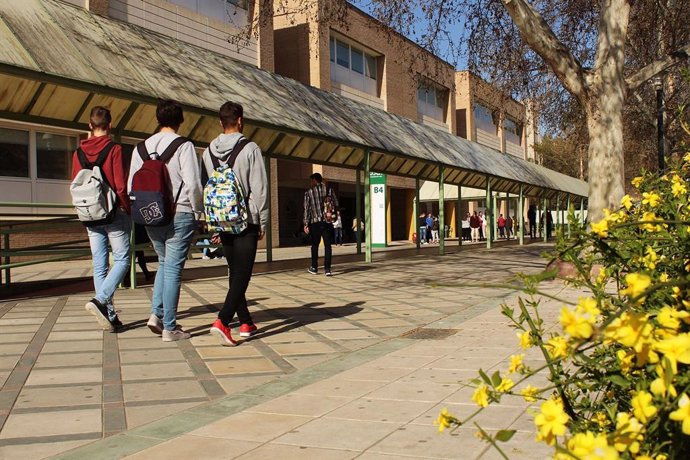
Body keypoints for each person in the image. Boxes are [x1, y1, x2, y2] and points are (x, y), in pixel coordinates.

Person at [128, 100, 203, 342]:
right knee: (172, 269)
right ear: (180, 120)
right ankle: (170, 327)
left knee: (163, 262)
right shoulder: (184, 145)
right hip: (180, 213)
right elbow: (192, 183)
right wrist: (199, 212)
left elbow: (131, 186)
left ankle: (156, 315)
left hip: (151, 215)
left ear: (158, 119)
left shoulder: (140, 148)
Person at [202, 101, 268, 346]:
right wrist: (262, 220)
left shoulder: (208, 151)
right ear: (240, 120)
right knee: (243, 273)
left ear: (221, 122)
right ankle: (222, 320)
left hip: (222, 218)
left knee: (235, 273)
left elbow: (208, 187)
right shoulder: (250, 149)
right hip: (246, 218)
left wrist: (215, 223)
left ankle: (246, 322)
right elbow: (259, 189)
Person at [73, 106, 130, 332]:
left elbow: (75, 183)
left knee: (99, 265)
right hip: (114, 212)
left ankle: (109, 315)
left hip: (89, 214)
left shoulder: (78, 152)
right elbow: (120, 184)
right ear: (110, 125)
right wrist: (127, 207)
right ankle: (100, 300)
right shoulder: (114, 149)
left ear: (89, 125)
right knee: (123, 260)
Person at [304, 173, 339, 276]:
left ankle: (314, 267)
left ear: (314, 180)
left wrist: (306, 223)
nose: (311, 183)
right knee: (328, 246)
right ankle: (327, 269)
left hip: (315, 223)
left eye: (311, 181)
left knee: (315, 245)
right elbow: (336, 203)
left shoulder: (309, 192)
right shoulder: (329, 190)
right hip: (327, 221)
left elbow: (307, 209)